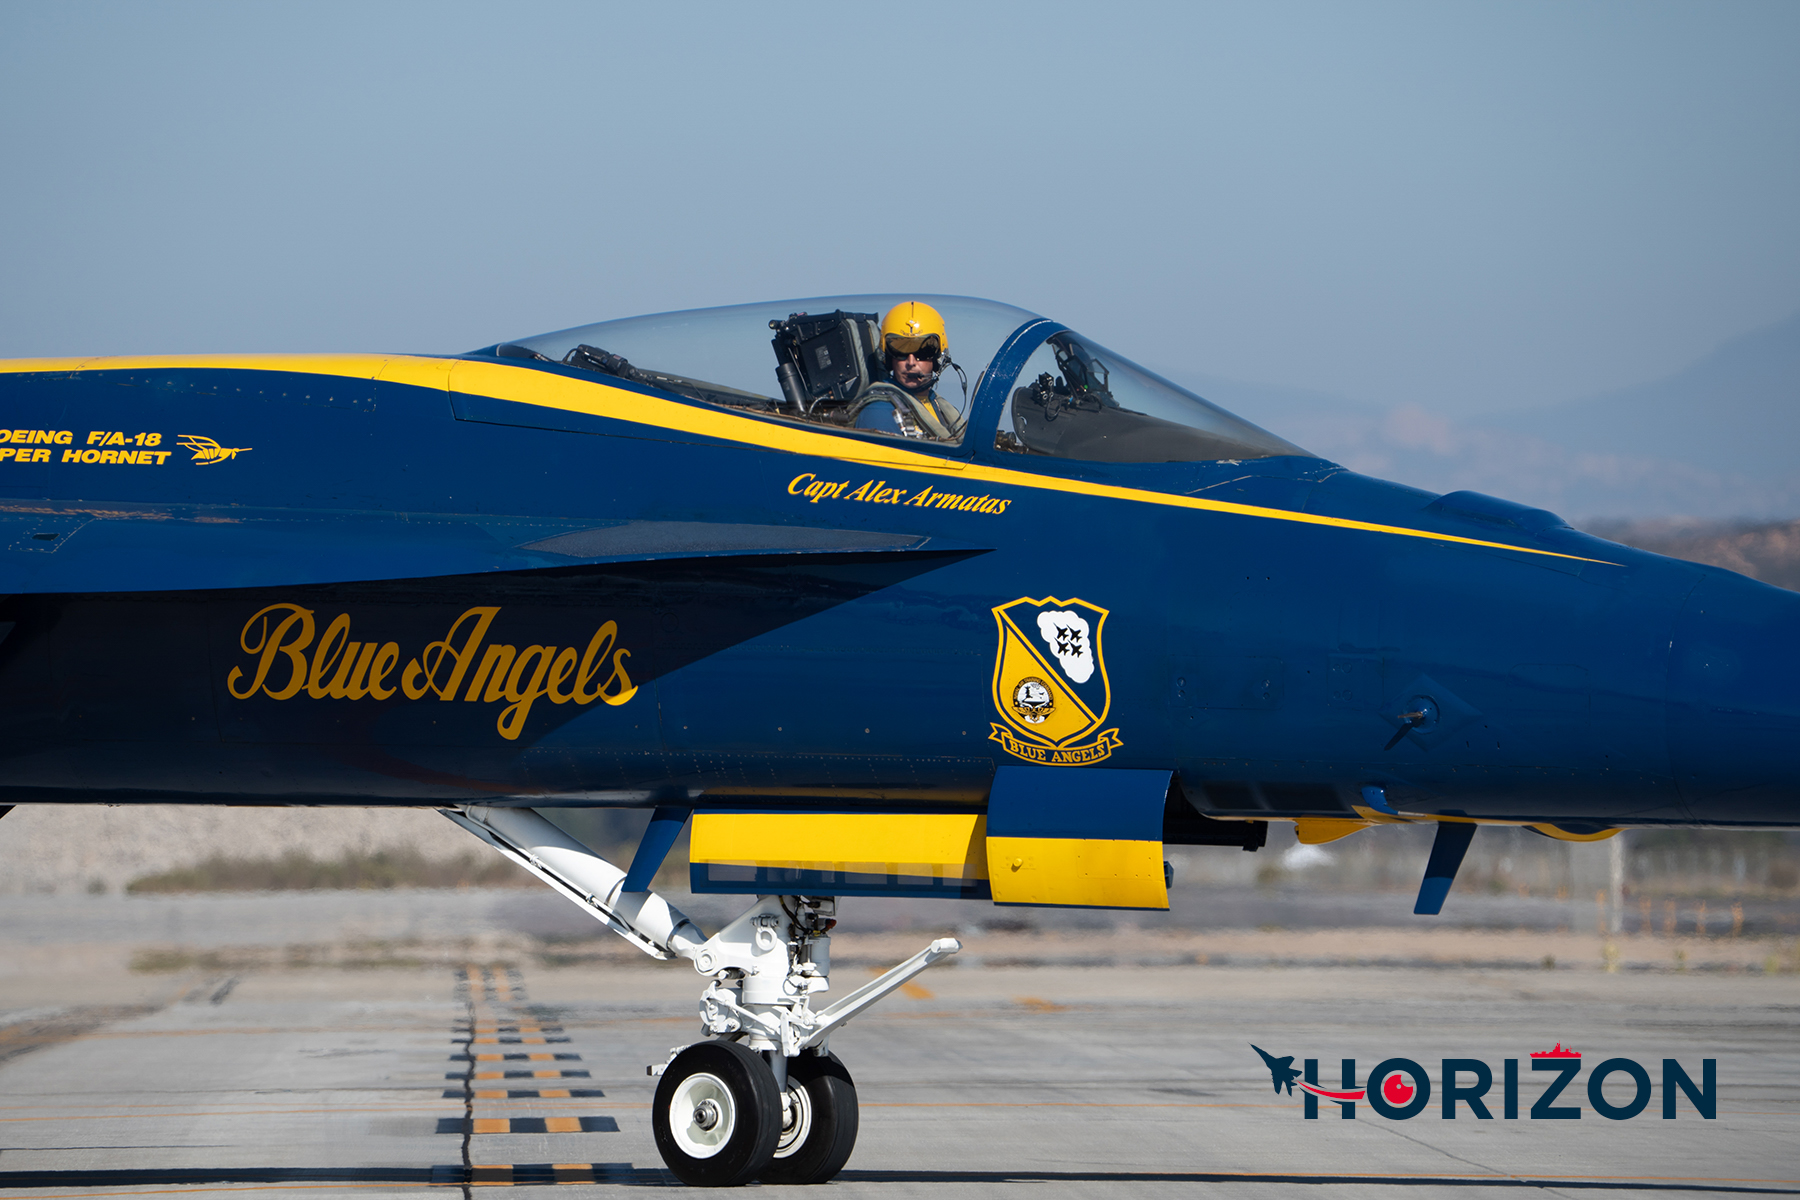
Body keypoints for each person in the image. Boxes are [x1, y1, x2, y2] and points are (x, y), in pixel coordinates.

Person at [852, 302, 966, 441]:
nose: (911, 363)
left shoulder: (939, 406)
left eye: (923, 352)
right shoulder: (880, 413)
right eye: (901, 352)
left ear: (938, 358)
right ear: (888, 358)